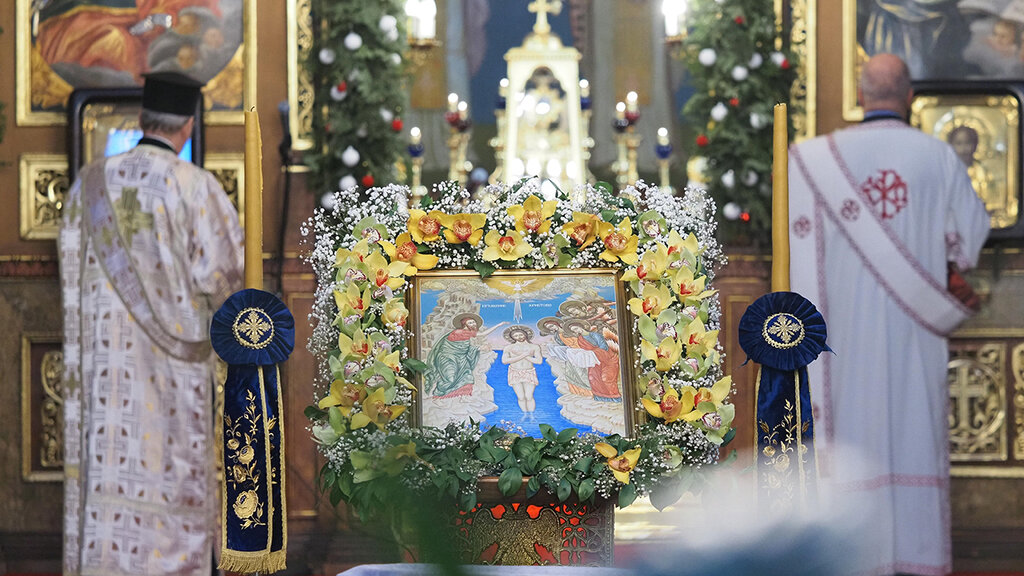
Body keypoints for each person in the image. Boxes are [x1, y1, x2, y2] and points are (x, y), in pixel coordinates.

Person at [788, 54, 990, 576]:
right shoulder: (937, 156)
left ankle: (852, 555)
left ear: (861, 94)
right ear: (909, 96)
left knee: (851, 436)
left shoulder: (810, 158)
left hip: (838, 341)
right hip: (913, 339)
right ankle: (915, 555)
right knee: (912, 435)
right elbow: (969, 242)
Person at [59, 72, 243, 576]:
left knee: (108, 473)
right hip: (172, 378)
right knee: (170, 478)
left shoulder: (87, 185)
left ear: (141, 118)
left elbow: (71, 273)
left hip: (103, 373)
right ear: (188, 125)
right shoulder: (195, 187)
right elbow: (227, 283)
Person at [424, 314, 506, 398]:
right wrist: (479, 347)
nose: (473, 324)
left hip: (461, 358)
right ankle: (439, 395)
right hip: (448, 357)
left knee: (467, 377)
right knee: (450, 378)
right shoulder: (458, 332)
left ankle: (458, 397)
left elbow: (473, 341)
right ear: (464, 324)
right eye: (470, 323)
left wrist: (498, 325)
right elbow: (456, 347)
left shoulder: (467, 333)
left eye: (474, 322)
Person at [501, 325, 544, 414]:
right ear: (512, 337)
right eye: (515, 336)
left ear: (525, 334)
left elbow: (539, 361)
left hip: (529, 372)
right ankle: (524, 414)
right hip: (514, 372)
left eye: (520, 335)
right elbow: (505, 361)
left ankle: (531, 415)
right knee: (520, 397)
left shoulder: (534, 347)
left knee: (529, 396)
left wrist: (524, 356)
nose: (519, 337)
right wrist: (523, 355)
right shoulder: (509, 348)